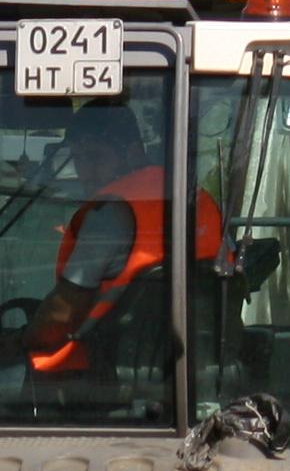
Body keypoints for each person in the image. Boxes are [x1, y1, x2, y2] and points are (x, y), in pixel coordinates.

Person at [0, 100, 221, 376]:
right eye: (78, 158)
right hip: (203, 363)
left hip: (111, 372)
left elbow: (63, 313)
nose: (85, 171)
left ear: (132, 152)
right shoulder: (197, 200)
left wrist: (18, 341)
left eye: (95, 157)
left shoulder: (110, 213)